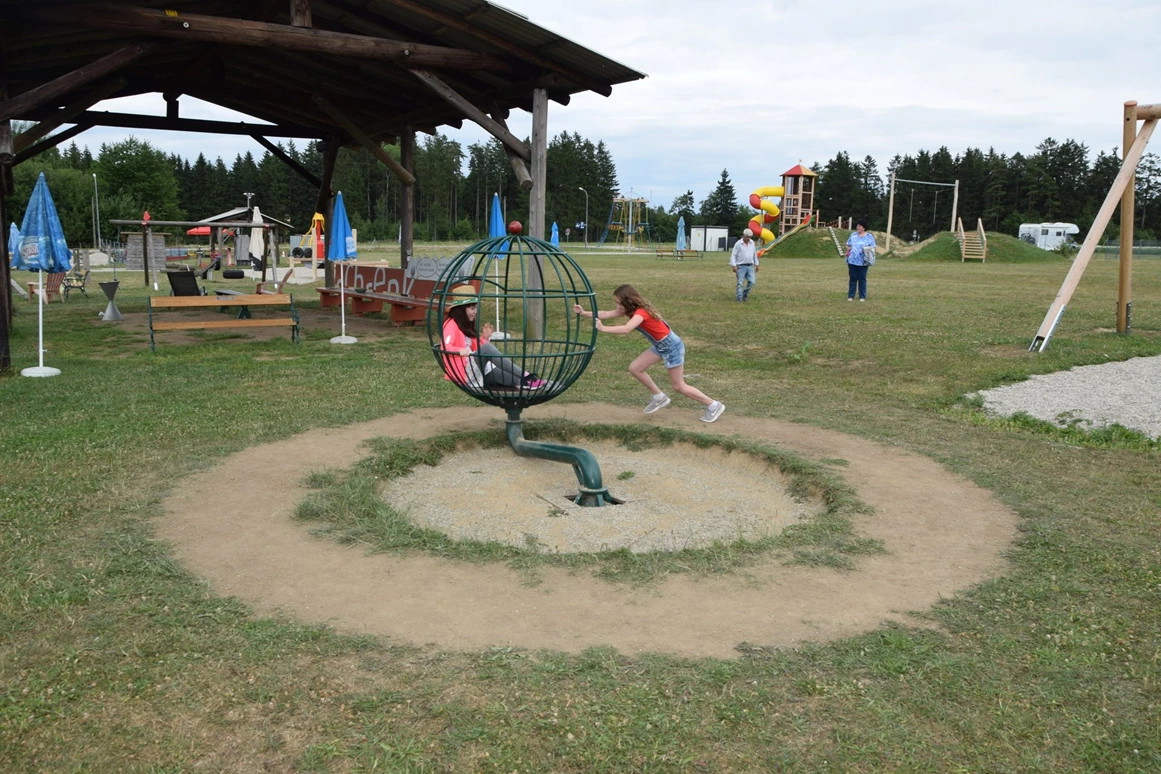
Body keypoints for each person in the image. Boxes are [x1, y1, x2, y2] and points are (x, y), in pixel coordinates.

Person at [573, 284, 725, 423]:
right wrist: (584, 313)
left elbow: (626, 329)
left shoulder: (640, 313)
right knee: (635, 368)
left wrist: (603, 329)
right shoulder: (631, 310)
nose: (617, 306)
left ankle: (713, 405)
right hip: (661, 345)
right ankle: (659, 397)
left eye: (619, 303)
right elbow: (605, 313)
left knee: (679, 386)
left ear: (628, 301)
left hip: (671, 346)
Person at [441, 285, 545, 390]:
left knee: (514, 379)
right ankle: (526, 375)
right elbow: (444, 346)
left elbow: (476, 348)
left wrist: (485, 338)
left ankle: (525, 381)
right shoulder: (450, 325)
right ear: (461, 310)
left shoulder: (464, 325)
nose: (475, 312)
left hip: (478, 369)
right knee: (487, 348)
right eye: (472, 308)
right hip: (465, 371)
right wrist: (460, 350)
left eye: (475, 308)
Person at [845, 220, 877, 302]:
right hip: (852, 260)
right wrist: (848, 249)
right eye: (857, 226)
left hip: (863, 261)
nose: (857, 227)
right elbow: (848, 244)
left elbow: (873, 247)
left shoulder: (869, 236)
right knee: (853, 278)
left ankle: (862, 296)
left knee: (862, 278)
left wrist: (866, 250)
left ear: (864, 227)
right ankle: (851, 295)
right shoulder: (853, 235)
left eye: (859, 226)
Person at [729, 228, 759, 302]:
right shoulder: (738, 244)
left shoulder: (752, 243)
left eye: (749, 237)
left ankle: (744, 294)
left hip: (750, 266)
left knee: (752, 282)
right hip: (740, 266)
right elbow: (733, 255)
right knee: (740, 283)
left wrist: (757, 264)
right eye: (747, 237)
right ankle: (739, 298)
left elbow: (754, 254)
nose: (748, 239)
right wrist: (734, 265)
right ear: (743, 236)